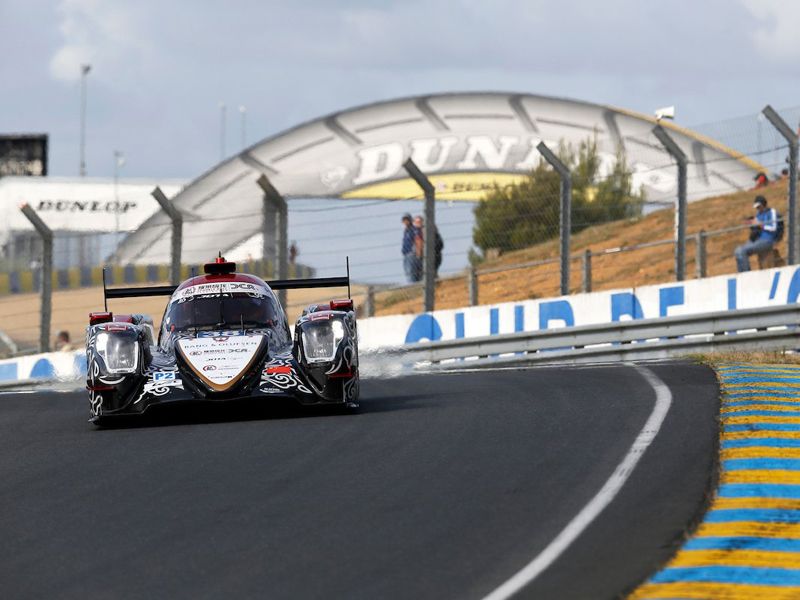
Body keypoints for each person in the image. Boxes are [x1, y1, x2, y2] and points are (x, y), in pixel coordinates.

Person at [734, 195, 779, 272]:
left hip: (767, 240)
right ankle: (741, 274)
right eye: (756, 207)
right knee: (737, 251)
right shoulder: (758, 214)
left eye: (759, 207)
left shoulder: (772, 212)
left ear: (763, 204)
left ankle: (747, 274)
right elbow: (757, 227)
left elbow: (774, 227)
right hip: (757, 239)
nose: (758, 209)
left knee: (743, 251)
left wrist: (761, 225)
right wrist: (751, 224)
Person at [401, 214, 420, 283]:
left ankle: (413, 286)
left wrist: (418, 253)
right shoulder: (406, 230)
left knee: (411, 272)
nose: (405, 222)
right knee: (407, 272)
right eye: (404, 220)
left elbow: (417, 240)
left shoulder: (413, 229)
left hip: (411, 253)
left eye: (407, 220)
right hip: (406, 254)